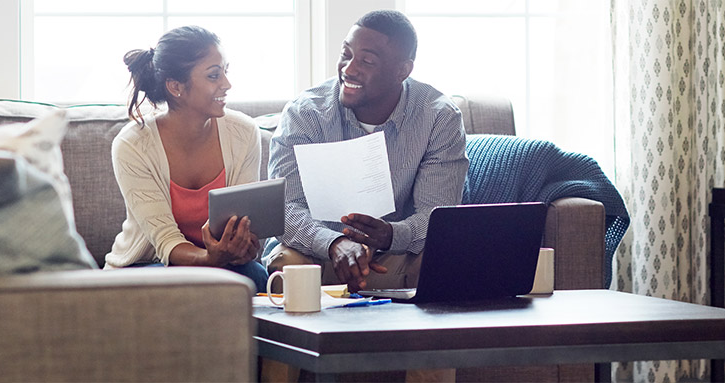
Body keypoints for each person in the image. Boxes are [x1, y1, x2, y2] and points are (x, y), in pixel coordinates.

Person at [266, 10, 467, 291]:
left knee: (443, 257)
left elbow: (436, 216)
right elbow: (284, 208)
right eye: (346, 54)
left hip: (393, 256)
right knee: (285, 264)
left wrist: (390, 236)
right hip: (314, 252)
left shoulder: (438, 117)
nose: (348, 69)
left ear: (402, 71)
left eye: (366, 61)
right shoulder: (305, 113)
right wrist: (335, 242)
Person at [106, 25, 268, 284]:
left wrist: (242, 248)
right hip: (148, 265)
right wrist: (210, 259)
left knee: (255, 277)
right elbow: (166, 241)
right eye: (214, 76)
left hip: (217, 267)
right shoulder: (133, 145)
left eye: (225, 71)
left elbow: (245, 226)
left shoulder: (244, 133)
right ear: (175, 86)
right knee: (179, 287)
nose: (227, 84)